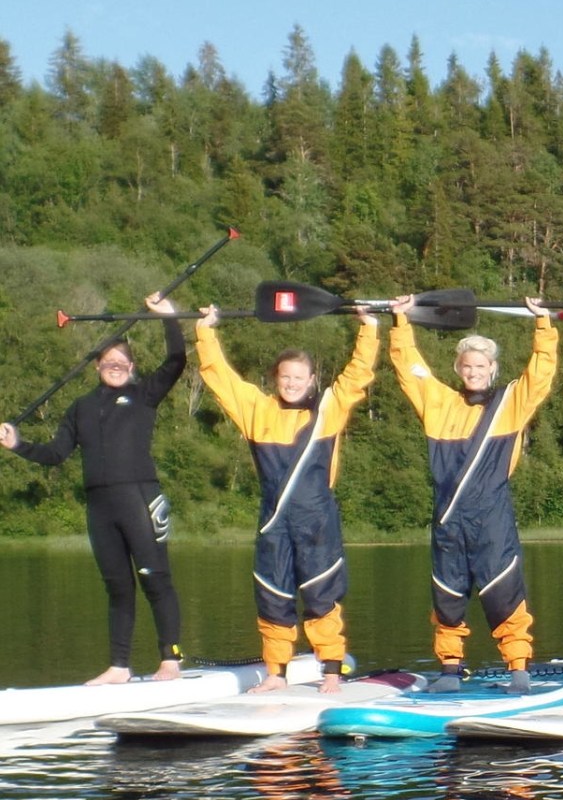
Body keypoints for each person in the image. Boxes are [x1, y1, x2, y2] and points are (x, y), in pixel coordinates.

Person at [1, 294, 187, 685]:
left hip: (140, 498)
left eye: (122, 362)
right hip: (100, 506)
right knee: (118, 586)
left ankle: (170, 659)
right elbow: (54, 454)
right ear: (98, 367)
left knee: (155, 578)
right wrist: (18, 444)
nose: (115, 367)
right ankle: (119, 666)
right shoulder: (80, 407)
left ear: (132, 367)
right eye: (108, 362)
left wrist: (169, 318)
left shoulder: (144, 394)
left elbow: (176, 362)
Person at [195, 304, 379, 693]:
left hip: (316, 522)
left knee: (321, 596)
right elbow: (220, 379)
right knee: (273, 594)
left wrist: (368, 327)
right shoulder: (256, 410)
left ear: (312, 380)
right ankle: (275, 673)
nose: (292, 383)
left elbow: (357, 375)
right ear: (275, 379)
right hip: (274, 521)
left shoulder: (328, 411)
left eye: (299, 377)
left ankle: (331, 670)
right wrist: (206, 332)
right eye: (285, 376)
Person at [388, 296, 556, 695]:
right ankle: (449, 669)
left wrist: (544, 327)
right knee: (447, 595)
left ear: (493, 369)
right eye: (467, 366)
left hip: (492, 517)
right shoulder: (438, 402)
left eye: (481, 366)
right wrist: (400, 321)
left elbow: (540, 375)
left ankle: (518, 668)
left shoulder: (510, 403)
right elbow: (409, 370)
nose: (474, 372)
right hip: (448, 520)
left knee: (504, 592)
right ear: (458, 369)